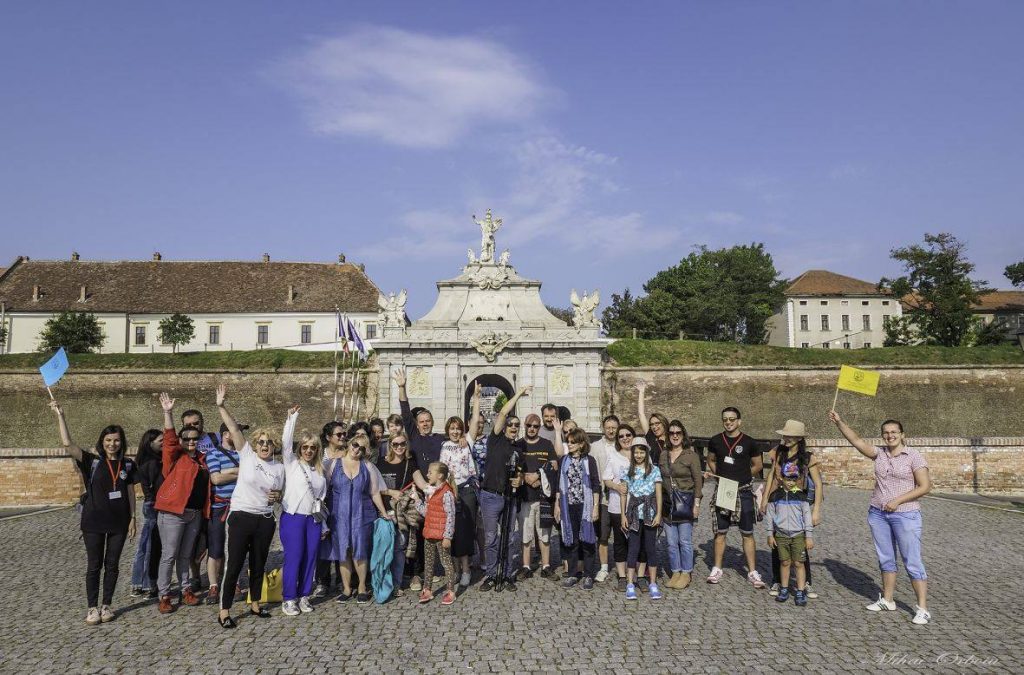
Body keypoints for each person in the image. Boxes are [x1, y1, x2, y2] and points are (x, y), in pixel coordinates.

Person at [829, 411, 932, 625]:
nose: (890, 435)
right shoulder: (880, 454)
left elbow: (925, 487)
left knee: (912, 561)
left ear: (902, 434)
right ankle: (887, 599)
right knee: (886, 559)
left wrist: (898, 501)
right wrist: (839, 422)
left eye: (894, 432)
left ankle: (922, 608)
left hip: (905, 515)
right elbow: (856, 441)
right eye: (886, 432)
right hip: (878, 514)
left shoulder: (913, 456)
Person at [50, 400, 137, 625]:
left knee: (113, 565)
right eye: (108, 440)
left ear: (122, 442)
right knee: (94, 565)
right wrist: (61, 415)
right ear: (102, 442)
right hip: (94, 522)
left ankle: (106, 605)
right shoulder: (92, 462)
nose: (112, 444)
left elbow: (129, 493)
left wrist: (133, 518)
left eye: (116, 440)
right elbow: (68, 444)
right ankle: (91, 608)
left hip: (119, 522)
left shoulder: (127, 465)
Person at [215, 385, 286, 628]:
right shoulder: (246, 455)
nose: (265, 446)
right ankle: (224, 610)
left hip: (265, 519)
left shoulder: (279, 467)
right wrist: (222, 406)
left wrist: (278, 496)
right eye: (261, 442)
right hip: (241, 516)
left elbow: (281, 493)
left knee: (259, 563)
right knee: (234, 564)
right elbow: (233, 428)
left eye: (269, 443)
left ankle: (255, 602)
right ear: (254, 444)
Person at [154, 393, 211, 614]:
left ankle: (186, 589)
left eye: (194, 439)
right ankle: (164, 594)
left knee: (186, 555)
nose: (190, 442)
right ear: (181, 441)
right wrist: (167, 412)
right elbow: (168, 438)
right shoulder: (175, 457)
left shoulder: (204, 459)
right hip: (173, 513)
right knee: (169, 554)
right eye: (186, 438)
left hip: (194, 513)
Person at [393, 367, 447, 591]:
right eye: (422, 421)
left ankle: (429, 570)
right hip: (418, 492)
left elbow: (460, 435)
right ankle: (414, 574)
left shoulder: (439, 439)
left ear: (433, 423)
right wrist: (402, 388)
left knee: (432, 533)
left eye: (428, 421)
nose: (425, 423)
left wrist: (463, 439)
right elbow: (405, 413)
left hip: (436, 493)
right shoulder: (413, 436)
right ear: (417, 424)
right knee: (415, 533)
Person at [759, 420, 823, 599]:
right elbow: (771, 475)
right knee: (776, 543)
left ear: (798, 438)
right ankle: (777, 580)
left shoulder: (808, 457)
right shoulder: (779, 452)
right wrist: (764, 499)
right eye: (784, 435)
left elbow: (818, 484)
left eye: (789, 435)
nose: (785, 438)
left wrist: (816, 510)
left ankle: (806, 582)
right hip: (778, 500)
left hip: (798, 502)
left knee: (800, 543)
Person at [324, 432, 390, 604]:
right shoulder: (333, 465)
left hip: (363, 514)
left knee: (359, 552)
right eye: (355, 445)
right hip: (339, 516)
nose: (357, 450)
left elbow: (374, 492)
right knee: (343, 552)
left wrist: (383, 512)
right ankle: (346, 588)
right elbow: (324, 489)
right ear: (349, 444)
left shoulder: (367, 466)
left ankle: (361, 586)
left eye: (362, 448)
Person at [705, 406, 765, 588]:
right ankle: (717, 568)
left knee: (747, 533)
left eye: (732, 419)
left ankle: (752, 571)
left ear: (739, 421)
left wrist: (743, 477)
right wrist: (722, 478)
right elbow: (711, 460)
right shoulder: (715, 440)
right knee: (720, 532)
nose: (728, 422)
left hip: (744, 491)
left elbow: (758, 464)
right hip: (724, 490)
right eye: (725, 419)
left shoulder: (749, 442)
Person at [478, 386, 529, 591]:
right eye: (511, 424)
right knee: (491, 539)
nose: (514, 427)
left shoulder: (519, 448)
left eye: (517, 425)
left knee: (508, 539)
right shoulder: (495, 440)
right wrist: (518, 393)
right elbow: (503, 412)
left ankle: (507, 574)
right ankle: (491, 574)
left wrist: (521, 479)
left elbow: (520, 472)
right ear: (504, 427)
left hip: (510, 498)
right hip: (490, 495)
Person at [279, 406, 328, 617]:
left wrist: (323, 524)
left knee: (310, 557)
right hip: (293, 517)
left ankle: (304, 594)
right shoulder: (292, 464)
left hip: (313, 520)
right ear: (300, 449)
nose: (308, 451)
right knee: (294, 556)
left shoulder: (320, 472)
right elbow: (285, 444)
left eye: (313, 448)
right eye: (305, 447)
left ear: (317, 450)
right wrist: (291, 419)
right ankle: (289, 598)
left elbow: (321, 500)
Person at [440, 386, 481, 587]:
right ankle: (455, 569)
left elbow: (474, 422)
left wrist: (476, 398)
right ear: (448, 430)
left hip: (466, 491)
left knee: (465, 531)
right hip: (449, 492)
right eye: (452, 428)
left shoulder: (468, 443)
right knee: (452, 531)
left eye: (458, 428)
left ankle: (466, 569)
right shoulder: (444, 446)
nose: (455, 431)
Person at [764, 453, 815, 607]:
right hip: (780, 535)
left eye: (794, 479)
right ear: (781, 478)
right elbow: (770, 516)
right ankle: (784, 588)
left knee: (799, 563)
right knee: (784, 562)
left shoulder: (801, 497)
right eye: (788, 478)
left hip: (798, 535)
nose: (791, 482)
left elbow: (807, 517)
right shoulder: (775, 496)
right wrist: (769, 534)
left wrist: (809, 536)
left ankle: (800, 590)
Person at [203, 419, 245, 605]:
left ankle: (234, 581)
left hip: (239, 507)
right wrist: (239, 470)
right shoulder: (213, 454)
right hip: (219, 508)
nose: (240, 435)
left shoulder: (244, 455)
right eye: (237, 431)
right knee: (216, 549)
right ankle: (213, 585)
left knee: (236, 548)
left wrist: (229, 471)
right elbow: (216, 479)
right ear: (227, 434)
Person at [554, 428, 601, 589]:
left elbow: (596, 485)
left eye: (573, 442)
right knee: (571, 541)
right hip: (569, 506)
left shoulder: (590, 461)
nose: (570, 444)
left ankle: (588, 574)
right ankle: (573, 573)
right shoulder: (564, 461)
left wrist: (595, 507)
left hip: (585, 505)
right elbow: (559, 486)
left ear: (581, 444)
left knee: (587, 541)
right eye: (569, 441)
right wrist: (557, 505)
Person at [659, 420, 703, 590]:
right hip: (668, 503)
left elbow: (698, 481)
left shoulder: (691, 456)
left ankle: (686, 572)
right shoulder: (663, 455)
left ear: (683, 435)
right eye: (671, 433)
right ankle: (675, 571)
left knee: (684, 540)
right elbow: (660, 479)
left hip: (685, 501)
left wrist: (697, 504)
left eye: (678, 433)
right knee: (671, 542)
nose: (675, 436)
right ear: (668, 435)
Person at [180, 408, 217, 595]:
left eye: (196, 422)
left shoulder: (215, 438)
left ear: (202, 421)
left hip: (216, 497)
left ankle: (215, 578)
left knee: (217, 541)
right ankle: (195, 577)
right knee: (193, 543)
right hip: (195, 501)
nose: (193, 426)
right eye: (188, 424)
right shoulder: (183, 445)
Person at [516, 412, 557, 580]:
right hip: (524, 496)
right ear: (524, 426)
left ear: (539, 427)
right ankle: (525, 566)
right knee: (525, 534)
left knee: (544, 534)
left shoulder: (547, 444)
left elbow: (554, 465)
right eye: (529, 425)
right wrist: (527, 477)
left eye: (535, 426)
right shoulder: (518, 445)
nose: (532, 429)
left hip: (542, 497)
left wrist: (538, 476)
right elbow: (514, 467)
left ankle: (546, 566)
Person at [376, 430, 417, 596]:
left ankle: (396, 584)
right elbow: (374, 488)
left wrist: (432, 488)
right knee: (384, 549)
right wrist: (390, 492)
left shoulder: (410, 463)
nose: (399, 447)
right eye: (396, 444)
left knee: (399, 549)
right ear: (390, 445)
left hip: (402, 514)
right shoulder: (380, 463)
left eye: (402, 443)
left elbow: (419, 480)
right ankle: (382, 582)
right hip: (383, 512)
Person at [621, 437, 663, 600]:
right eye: (636, 452)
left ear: (646, 452)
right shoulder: (627, 471)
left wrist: (659, 513)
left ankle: (652, 582)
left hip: (650, 514)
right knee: (633, 549)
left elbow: (658, 493)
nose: (638, 455)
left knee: (650, 549)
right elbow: (624, 494)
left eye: (641, 452)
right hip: (633, 514)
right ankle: (630, 583)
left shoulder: (654, 470)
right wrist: (624, 514)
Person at [414, 462, 458, 605]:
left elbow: (451, 516)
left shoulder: (446, 494)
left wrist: (447, 536)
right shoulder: (431, 492)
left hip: (441, 536)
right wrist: (416, 500)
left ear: (439, 475)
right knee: (428, 564)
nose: (427, 475)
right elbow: (426, 512)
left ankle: (451, 591)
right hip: (429, 534)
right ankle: (427, 589)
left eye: (430, 472)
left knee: (446, 564)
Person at [314, 420, 348, 596]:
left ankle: (343, 580)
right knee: (323, 541)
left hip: (342, 503)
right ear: (328, 437)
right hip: (323, 503)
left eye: (344, 434)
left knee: (341, 542)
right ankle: (322, 581)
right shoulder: (320, 454)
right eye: (339, 434)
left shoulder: (348, 453)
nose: (343, 437)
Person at [129, 429, 162, 597]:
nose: (164, 443)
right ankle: (149, 584)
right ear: (151, 443)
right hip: (155, 504)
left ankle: (138, 583)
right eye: (160, 441)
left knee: (144, 544)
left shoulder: (142, 460)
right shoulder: (155, 462)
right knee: (152, 546)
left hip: (149, 504)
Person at [603, 423, 635, 588]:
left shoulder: (642, 453)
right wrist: (617, 486)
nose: (625, 438)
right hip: (617, 506)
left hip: (639, 506)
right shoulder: (614, 456)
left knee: (637, 540)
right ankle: (622, 576)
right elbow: (606, 479)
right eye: (621, 436)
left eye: (628, 435)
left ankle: (634, 572)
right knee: (620, 541)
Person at [588, 415, 619, 583]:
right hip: (603, 498)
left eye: (614, 427)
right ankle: (604, 567)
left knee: (623, 533)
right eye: (608, 427)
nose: (611, 430)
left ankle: (626, 566)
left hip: (621, 497)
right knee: (603, 535)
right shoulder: (594, 447)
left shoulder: (623, 446)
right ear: (603, 428)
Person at [636, 382, 668, 464]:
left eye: (657, 423)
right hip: (653, 474)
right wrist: (641, 391)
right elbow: (641, 414)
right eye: (652, 424)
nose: (654, 427)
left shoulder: (672, 437)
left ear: (663, 423)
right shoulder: (651, 436)